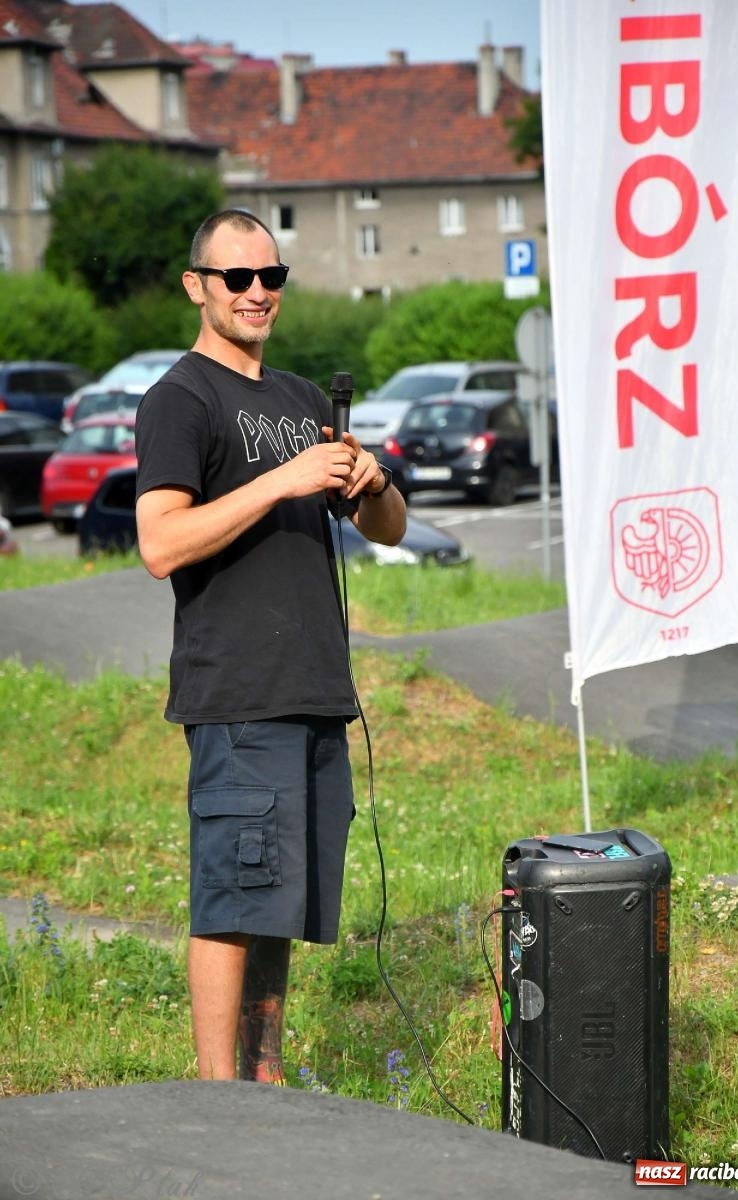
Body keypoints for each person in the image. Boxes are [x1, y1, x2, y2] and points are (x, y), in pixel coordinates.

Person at [135, 209, 406, 1083]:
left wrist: (372, 480)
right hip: (239, 694)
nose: (258, 294)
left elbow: (392, 530)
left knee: (275, 901)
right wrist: (283, 480)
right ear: (197, 287)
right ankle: (220, 1099)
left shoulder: (296, 399)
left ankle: (265, 1078)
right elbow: (160, 544)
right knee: (230, 896)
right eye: (238, 279)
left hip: (315, 691)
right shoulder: (179, 400)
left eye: (272, 278)